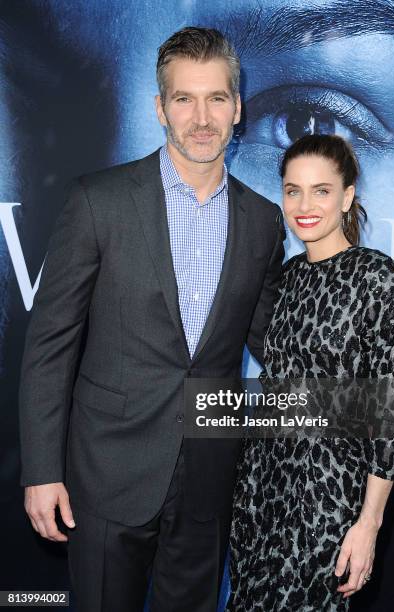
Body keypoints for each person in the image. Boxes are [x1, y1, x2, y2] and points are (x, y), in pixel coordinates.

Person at [19, 27, 285, 612]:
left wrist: (372, 397)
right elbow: (49, 346)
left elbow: (277, 342)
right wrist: (41, 471)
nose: (201, 117)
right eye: (184, 99)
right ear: (160, 108)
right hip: (107, 472)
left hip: (210, 477)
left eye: (217, 98)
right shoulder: (101, 201)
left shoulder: (264, 221)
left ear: (238, 108)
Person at [226, 134, 394, 611]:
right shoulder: (286, 277)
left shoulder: (378, 278)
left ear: (347, 195)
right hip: (261, 491)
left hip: (329, 500)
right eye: (293, 190)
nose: (304, 205)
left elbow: (389, 414)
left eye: (321, 190)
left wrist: (368, 523)